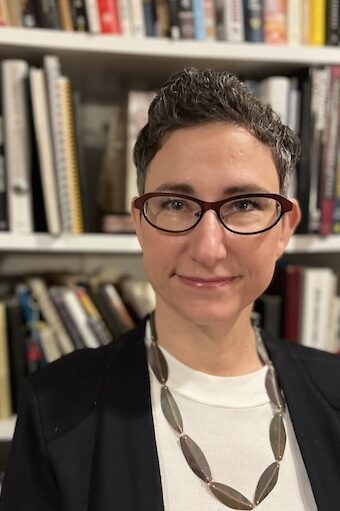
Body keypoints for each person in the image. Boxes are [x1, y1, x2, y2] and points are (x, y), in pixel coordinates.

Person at [1, 68, 340, 511]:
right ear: (140, 223)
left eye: (244, 205)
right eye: (176, 205)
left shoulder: (334, 392)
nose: (208, 247)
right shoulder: (57, 407)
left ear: (284, 228)